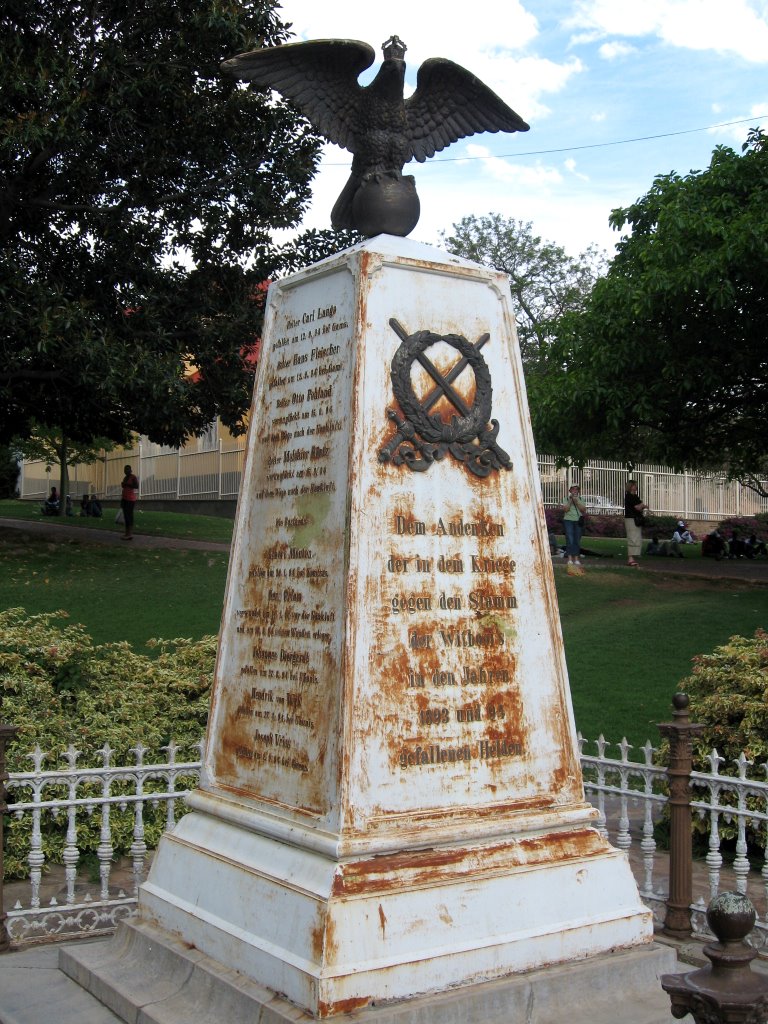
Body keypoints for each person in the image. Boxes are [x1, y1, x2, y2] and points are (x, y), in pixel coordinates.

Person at [561, 484, 587, 574]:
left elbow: (583, 510)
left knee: (577, 539)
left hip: (578, 521)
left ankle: (576, 559)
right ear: (570, 491)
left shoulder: (581, 499)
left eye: (576, 489)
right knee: (570, 539)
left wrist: (577, 502)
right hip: (568, 520)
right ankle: (569, 559)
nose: (575, 491)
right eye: (573, 489)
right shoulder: (566, 499)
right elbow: (565, 509)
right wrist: (571, 502)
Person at [624, 480, 648, 568]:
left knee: (637, 537)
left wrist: (641, 506)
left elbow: (640, 506)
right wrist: (642, 505)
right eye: (634, 485)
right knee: (632, 537)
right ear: (631, 486)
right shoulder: (629, 496)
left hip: (636, 519)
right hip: (631, 519)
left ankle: (633, 557)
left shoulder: (635, 496)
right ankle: (630, 558)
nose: (636, 487)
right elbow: (638, 507)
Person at [120, 465, 139, 540]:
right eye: (125, 469)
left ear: (130, 470)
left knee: (129, 516)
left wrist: (127, 484)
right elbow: (125, 487)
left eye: (127, 469)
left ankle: (130, 534)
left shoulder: (133, 477)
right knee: (125, 516)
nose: (126, 471)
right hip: (124, 498)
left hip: (130, 500)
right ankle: (126, 533)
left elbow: (136, 486)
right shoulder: (125, 478)